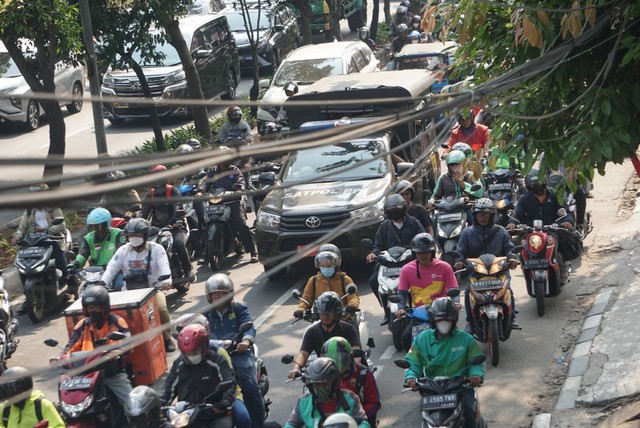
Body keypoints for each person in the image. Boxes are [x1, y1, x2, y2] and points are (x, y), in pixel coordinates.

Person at [404, 297, 485, 428]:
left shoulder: (466, 339)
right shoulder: (422, 339)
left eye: (447, 320)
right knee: (423, 419)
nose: (443, 323)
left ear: (453, 320)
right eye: (439, 320)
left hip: (461, 389)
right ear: (433, 321)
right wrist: (411, 377)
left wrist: (475, 375)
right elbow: (412, 361)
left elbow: (476, 361)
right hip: (432, 390)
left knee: (469, 414)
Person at [101, 218, 176, 352]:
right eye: (131, 235)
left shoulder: (157, 249)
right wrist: (102, 284)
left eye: (138, 235)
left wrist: (167, 280)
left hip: (153, 290)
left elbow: (164, 266)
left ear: (145, 235)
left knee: (162, 309)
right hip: (129, 292)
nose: (134, 238)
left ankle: (167, 338)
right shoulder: (122, 251)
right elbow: (111, 268)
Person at [203, 274, 265, 428]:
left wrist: (245, 341)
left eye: (221, 293)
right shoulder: (205, 314)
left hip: (238, 354)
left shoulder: (238, 308)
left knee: (250, 387)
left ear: (229, 294)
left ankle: (258, 424)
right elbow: (197, 329)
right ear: (209, 296)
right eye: (214, 294)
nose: (217, 297)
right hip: (215, 357)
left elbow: (249, 326)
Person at [173, 313, 253, 428]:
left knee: (243, 417)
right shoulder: (181, 360)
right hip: (190, 407)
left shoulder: (218, 352)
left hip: (222, 402)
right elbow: (171, 385)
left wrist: (225, 402)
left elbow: (229, 381)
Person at [454, 198, 520, 332]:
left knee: (508, 290)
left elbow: (509, 248)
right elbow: (460, 250)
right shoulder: (467, 233)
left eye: (486, 214)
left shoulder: (501, 231)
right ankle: (470, 321)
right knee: (468, 293)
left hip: (499, 271)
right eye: (479, 214)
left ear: (492, 215)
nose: (482, 217)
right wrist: (459, 261)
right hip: (476, 272)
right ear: (475, 216)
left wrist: (512, 257)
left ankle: (512, 317)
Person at [61, 286, 133, 409]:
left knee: (132, 405)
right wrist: (62, 357)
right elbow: (71, 345)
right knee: (68, 403)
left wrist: (117, 352)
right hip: (86, 376)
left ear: (104, 307)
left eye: (96, 307)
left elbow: (126, 342)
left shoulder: (116, 322)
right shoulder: (83, 324)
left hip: (112, 374)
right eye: (89, 307)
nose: (92, 310)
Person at [506, 169, 576, 283]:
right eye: (532, 185)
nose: (535, 187)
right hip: (532, 232)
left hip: (552, 230)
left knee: (555, 249)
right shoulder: (525, 198)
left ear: (544, 182)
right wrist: (512, 222)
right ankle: (526, 270)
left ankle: (562, 271)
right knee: (523, 250)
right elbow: (517, 213)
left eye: (537, 184)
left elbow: (566, 212)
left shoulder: (554, 195)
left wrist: (567, 221)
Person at [11, 183, 78, 301]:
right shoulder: (29, 210)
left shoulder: (54, 209)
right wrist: (18, 236)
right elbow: (22, 226)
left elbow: (62, 226)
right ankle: (28, 295)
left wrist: (47, 229)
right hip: (34, 242)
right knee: (22, 267)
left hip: (53, 240)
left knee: (61, 261)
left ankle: (71, 283)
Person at [161, 324, 235, 428]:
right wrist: (160, 405)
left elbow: (229, 382)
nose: (191, 355)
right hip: (185, 415)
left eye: (195, 351)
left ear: (204, 345)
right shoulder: (179, 364)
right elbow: (169, 386)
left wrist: (224, 402)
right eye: (188, 353)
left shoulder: (218, 361)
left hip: (214, 414)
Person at [396, 233, 460, 350]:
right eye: (419, 253)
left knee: (454, 339)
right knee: (405, 338)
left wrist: (456, 302)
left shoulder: (445, 267)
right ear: (414, 253)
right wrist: (400, 307)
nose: (423, 256)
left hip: (441, 312)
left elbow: (453, 289)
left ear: (432, 252)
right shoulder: (406, 269)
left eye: (426, 252)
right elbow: (402, 292)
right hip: (419, 314)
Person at [366, 194, 425, 306]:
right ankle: (384, 307)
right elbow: (378, 245)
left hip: (410, 262)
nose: (395, 212)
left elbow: (423, 239)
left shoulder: (414, 223)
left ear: (403, 208)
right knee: (373, 281)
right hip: (389, 263)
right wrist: (373, 253)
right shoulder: (384, 226)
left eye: (396, 210)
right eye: (391, 210)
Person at [287, 292, 361, 380]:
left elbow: (355, 349)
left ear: (336, 313)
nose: (325, 316)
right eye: (322, 313)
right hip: (323, 373)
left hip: (346, 371)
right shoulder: (312, 332)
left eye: (329, 313)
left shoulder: (348, 329)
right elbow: (303, 353)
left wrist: (357, 367)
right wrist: (296, 368)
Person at [142, 164, 195, 283]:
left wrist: (178, 219)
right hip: (158, 228)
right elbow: (144, 212)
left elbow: (177, 205)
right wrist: (138, 223)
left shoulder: (172, 190)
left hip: (176, 225)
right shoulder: (150, 195)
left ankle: (188, 271)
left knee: (178, 243)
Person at [285, 357, 370, 428]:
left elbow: (363, 423)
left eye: (324, 384)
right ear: (310, 386)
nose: (320, 388)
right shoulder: (303, 402)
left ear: (335, 383)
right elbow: (291, 425)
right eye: (316, 384)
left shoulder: (350, 398)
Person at [206, 157, 258, 263]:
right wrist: (200, 191)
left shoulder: (235, 170)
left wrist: (239, 189)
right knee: (206, 224)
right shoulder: (212, 171)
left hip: (232, 201)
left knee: (241, 225)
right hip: (217, 202)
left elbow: (241, 182)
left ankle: (252, 251)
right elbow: (205, 183)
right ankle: (206, 254)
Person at [321, 337, 381, 427]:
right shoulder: (321, 378)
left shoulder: (363, 374)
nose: (338, 366)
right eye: (332, 361)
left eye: (342, 359)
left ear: (350, 357)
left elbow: (374, 403)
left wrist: (356, 418)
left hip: (358, 421)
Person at [69, 207, 127, 291]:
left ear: (107, 224)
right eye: (93, 227)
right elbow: (82, 254)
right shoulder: (89, 238)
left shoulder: (118, 234)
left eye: (99, 226)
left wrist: (112, 265)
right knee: (85, 291)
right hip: (96, 273)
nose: (96, 230)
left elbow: (119, 253)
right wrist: (74, 264)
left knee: (119, 286)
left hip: (115, 270)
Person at [294, 251, 360, 322]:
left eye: (329, 266)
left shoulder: (345, 279)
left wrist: (352, 305)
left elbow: (353, 297)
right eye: (323, 266)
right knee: (310, 332)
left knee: (352, 331)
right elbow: (306, 298)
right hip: (321, 319)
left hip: (343, 318)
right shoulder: (313, 280)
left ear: (336, 265)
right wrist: (301, 309)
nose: (325, 268)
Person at [0, 367, 65, 428]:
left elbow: (58, 426)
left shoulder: (42, 405)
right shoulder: (5, 409)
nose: (11, 396)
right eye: (7, 391)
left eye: (13, 391)